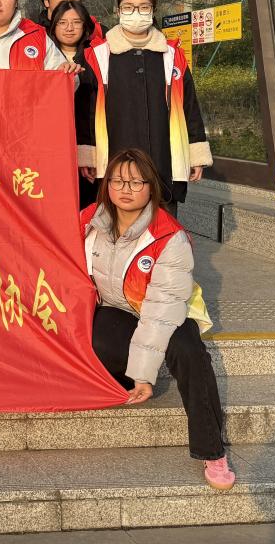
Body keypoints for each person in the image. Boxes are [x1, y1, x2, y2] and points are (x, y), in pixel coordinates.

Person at [84, 148, 233, 490]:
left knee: (188, 350)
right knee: (95, 335)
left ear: (151, 188)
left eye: (136, 182)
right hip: (118, 310)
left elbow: (159, 314)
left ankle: (212, 450)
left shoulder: (169, 237)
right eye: (118, 180)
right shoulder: (90, 223)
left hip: (168, 312)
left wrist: (144, 374)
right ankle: (121, 382)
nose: (126, 189)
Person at [79, 0, 211, 210]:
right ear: (118, 11)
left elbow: (189, 106)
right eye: (128, 7)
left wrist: (195, 154)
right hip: (115, 161)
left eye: (143, 7)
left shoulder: (172, 55)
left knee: (164, 223)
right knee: (118, 224)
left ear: (153, 11)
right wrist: (87, 155)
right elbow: (86, 111)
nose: (136, 13)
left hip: (163, 161)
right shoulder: (96, 56)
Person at [51, 0, 99, 209]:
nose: (69, 28)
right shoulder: (44, 57)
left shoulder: (96, 57)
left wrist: (89, 152)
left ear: (85, 25)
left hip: (88, 143)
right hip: (52, 146)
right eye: (62, 22)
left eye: (76, 22)